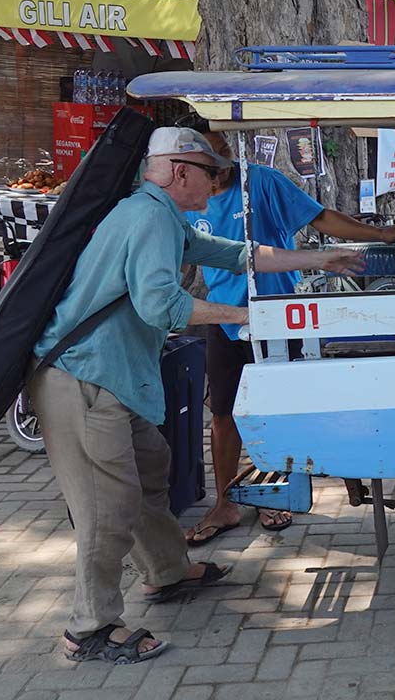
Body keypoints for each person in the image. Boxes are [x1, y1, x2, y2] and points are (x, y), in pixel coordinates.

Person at [29, 127, 363, 665]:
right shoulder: (148, 217)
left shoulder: (165, 216)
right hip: (82, 380)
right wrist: (244, 316)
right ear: (180, 171)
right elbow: (160, 304)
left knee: (151, 471)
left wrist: (319, 261)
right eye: (212, 173)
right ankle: (88, 628)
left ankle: (167, 572)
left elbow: (237, 255)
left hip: (112, 379)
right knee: (106, 508)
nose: (218, 183)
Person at [182, 125, 395, 546]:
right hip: (226, 318)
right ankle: (225, 501)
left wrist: (378, 235)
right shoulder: (188, 200)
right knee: (224, 414)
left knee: (275, 409)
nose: (218, 170)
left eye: (221, 157)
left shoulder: (261, 182)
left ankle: (274, 493)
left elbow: (319, 217)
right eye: (208, 163)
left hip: (278, 315)